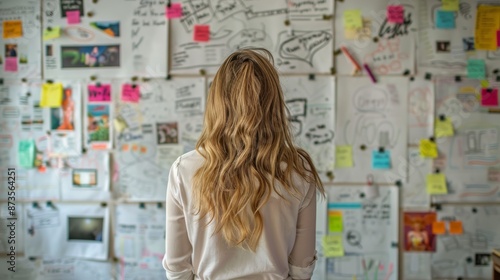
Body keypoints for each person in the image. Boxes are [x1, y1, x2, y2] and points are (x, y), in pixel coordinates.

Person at [162, 48, 325, 280]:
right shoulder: (298, 170)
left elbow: (177, 270)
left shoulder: (184, 169)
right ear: (274, 105)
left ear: (217, 103)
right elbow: (301, 269)